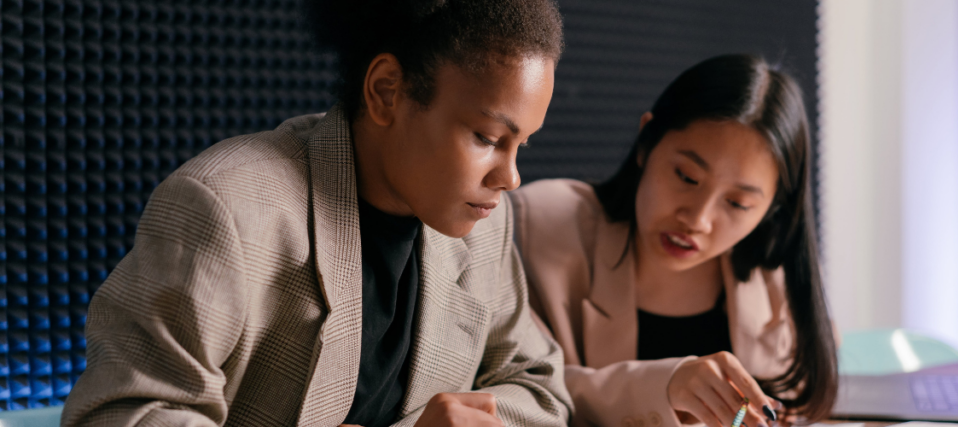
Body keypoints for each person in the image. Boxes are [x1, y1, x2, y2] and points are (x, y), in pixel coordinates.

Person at [60, 1, 573, 426]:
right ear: (386, 92)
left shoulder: (486, 222)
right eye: (487, 138)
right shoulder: (224, 207)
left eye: (520, 145)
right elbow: (119, 415)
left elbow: (542, 387)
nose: (510, 178)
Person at [509, 55, 838, 427]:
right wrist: (664, 387)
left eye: (737, 203)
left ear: (772, 208)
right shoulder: (539, 224)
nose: (697, 220)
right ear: (646, 142)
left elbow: (801, 398)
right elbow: (521, 386)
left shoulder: (777, 268)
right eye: (686, 177)